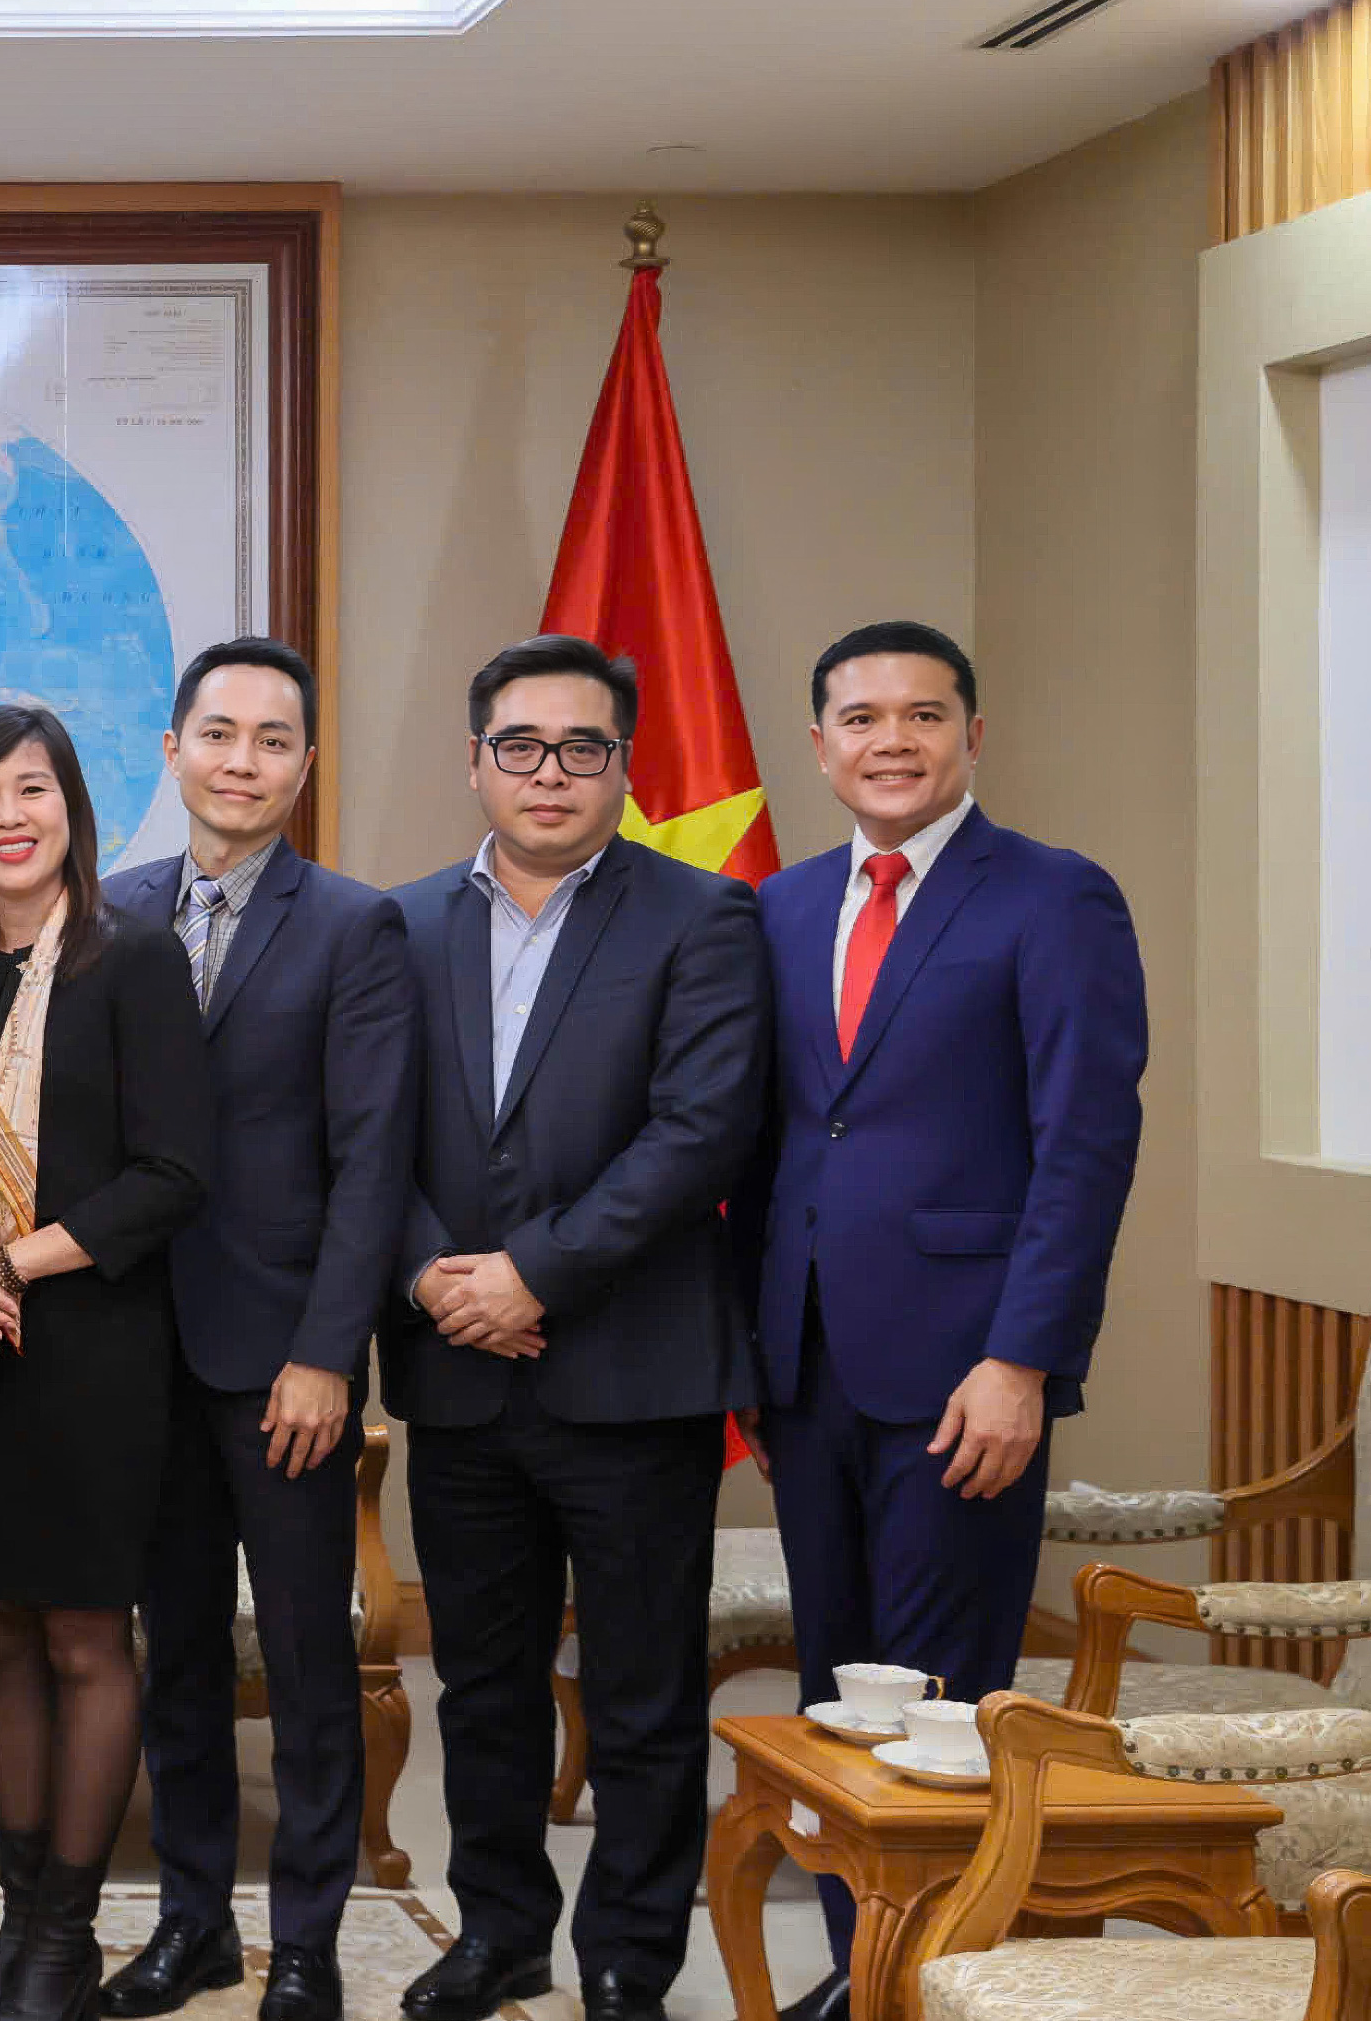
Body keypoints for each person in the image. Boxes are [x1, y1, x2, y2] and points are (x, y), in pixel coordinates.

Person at [737, 621, 1145, 2021]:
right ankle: (873, 1975)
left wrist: (1021, 1359)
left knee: (940, 1711)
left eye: (923, 715)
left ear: (975, 734)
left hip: (966, 1372)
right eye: (860, 719)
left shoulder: (1051, 898)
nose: (891, 741)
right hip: (804, 1364)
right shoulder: (781, 908)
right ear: (819, 747)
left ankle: (935, 1985)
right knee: (836, 1697)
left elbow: (1083, 1146)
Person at [381, 635, 769, 2021]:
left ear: (623, 764)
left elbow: (699, 1132)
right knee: (479, 1686)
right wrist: (433, 1275)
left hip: (630, 1371)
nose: (549, 773)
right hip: (455, 1375)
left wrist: (531, 1276)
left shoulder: (701, 917)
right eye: (521, 747)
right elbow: (367, 1135)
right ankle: (497, 1935)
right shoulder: (403, 922)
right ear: (474, 759)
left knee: (642, 1695)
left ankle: (626, 1958)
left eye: (581, 748)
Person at [103, 641, 417, 2021]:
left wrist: (322, 1355)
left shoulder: (354, 928)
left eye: (270, 739)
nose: (240, 760)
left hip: (277, 1359)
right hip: (127, 1358)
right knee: (169, 1650)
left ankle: (304, 1941)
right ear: (170, 750)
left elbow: (372, 1163)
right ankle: (192, 1924)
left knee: (302, 1658)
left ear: (301, 765)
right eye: (216, 732)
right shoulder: (99, 910)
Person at [0, 705, 212, 2021]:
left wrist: (8, 1264)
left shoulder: (130, 962)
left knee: (86, 1637)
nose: (6, 815)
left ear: (74, 810)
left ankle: (66, 1937)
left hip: (89, 1349)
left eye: (31, 789)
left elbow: (175, 1173)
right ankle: (23, 1935)